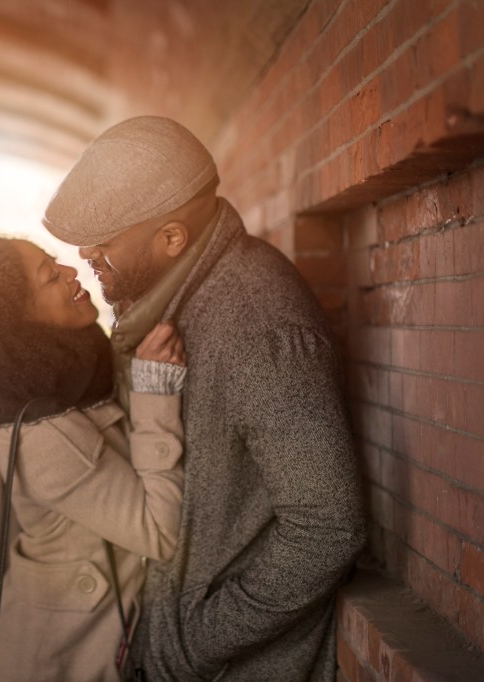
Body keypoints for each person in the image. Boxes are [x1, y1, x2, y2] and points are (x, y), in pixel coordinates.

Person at [43, 116, 366, 681]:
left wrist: (191, 645)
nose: (85, 253)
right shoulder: (168, 300)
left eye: (105, 239)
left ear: (172, 239)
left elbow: (326, 525)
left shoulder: (255, 324)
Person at [0, 234, 188, 682]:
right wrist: (155, 391)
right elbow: (159, 531)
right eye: (50, 277)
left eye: (54, 262)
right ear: (15, 322)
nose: (71, 273)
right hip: (59, 657)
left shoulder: (65, 372)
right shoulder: (40, 433)